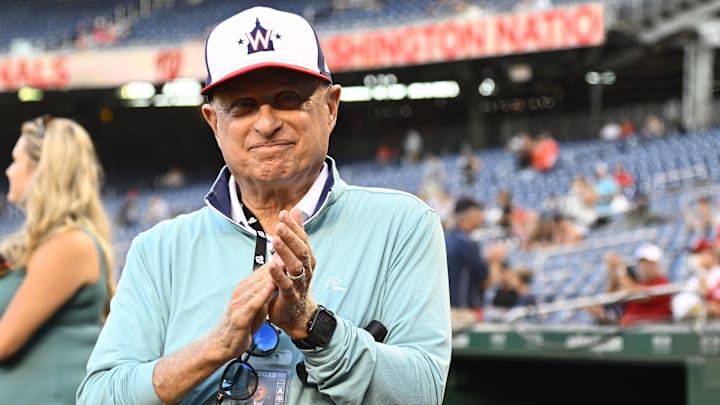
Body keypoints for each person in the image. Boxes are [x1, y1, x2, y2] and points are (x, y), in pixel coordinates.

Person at [78, 6, 451, 405]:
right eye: (242, 106)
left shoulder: (403, 225)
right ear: (213, 122)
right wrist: (215, 348)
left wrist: (312, 325)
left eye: (288, 99)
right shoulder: (159, 250)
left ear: (330, 108)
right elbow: (99, 397)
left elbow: (422, 394)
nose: (267, 122)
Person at [0, 116, 115, 403]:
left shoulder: (70, 245)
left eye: (16, 160)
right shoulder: (42, 244)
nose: (8, 170)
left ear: (42, 170)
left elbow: (3, 342)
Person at [446, 197, 507, 310]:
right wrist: (495, 261)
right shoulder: (464, 243)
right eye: (478, 212)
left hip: (448, 308)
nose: (481, 216)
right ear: (469, 215)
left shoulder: (450, 238)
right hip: (462, 311)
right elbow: (487, 283)